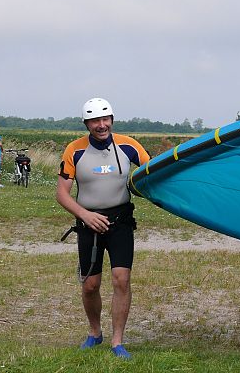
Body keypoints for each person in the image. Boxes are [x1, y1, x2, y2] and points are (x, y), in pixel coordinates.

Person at [56, 98, 150, 359]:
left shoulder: (129, 146)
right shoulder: (74, 150)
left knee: (122, 280)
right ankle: (95, 333)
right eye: (95, 121)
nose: (101, 125)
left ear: (112, 119)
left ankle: (117, 341)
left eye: (105, 119)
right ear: (86, 123)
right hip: (88, 224)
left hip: (120, 222)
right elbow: (62, 194)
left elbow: (152, 172)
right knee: (90, 285)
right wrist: (85, 215)